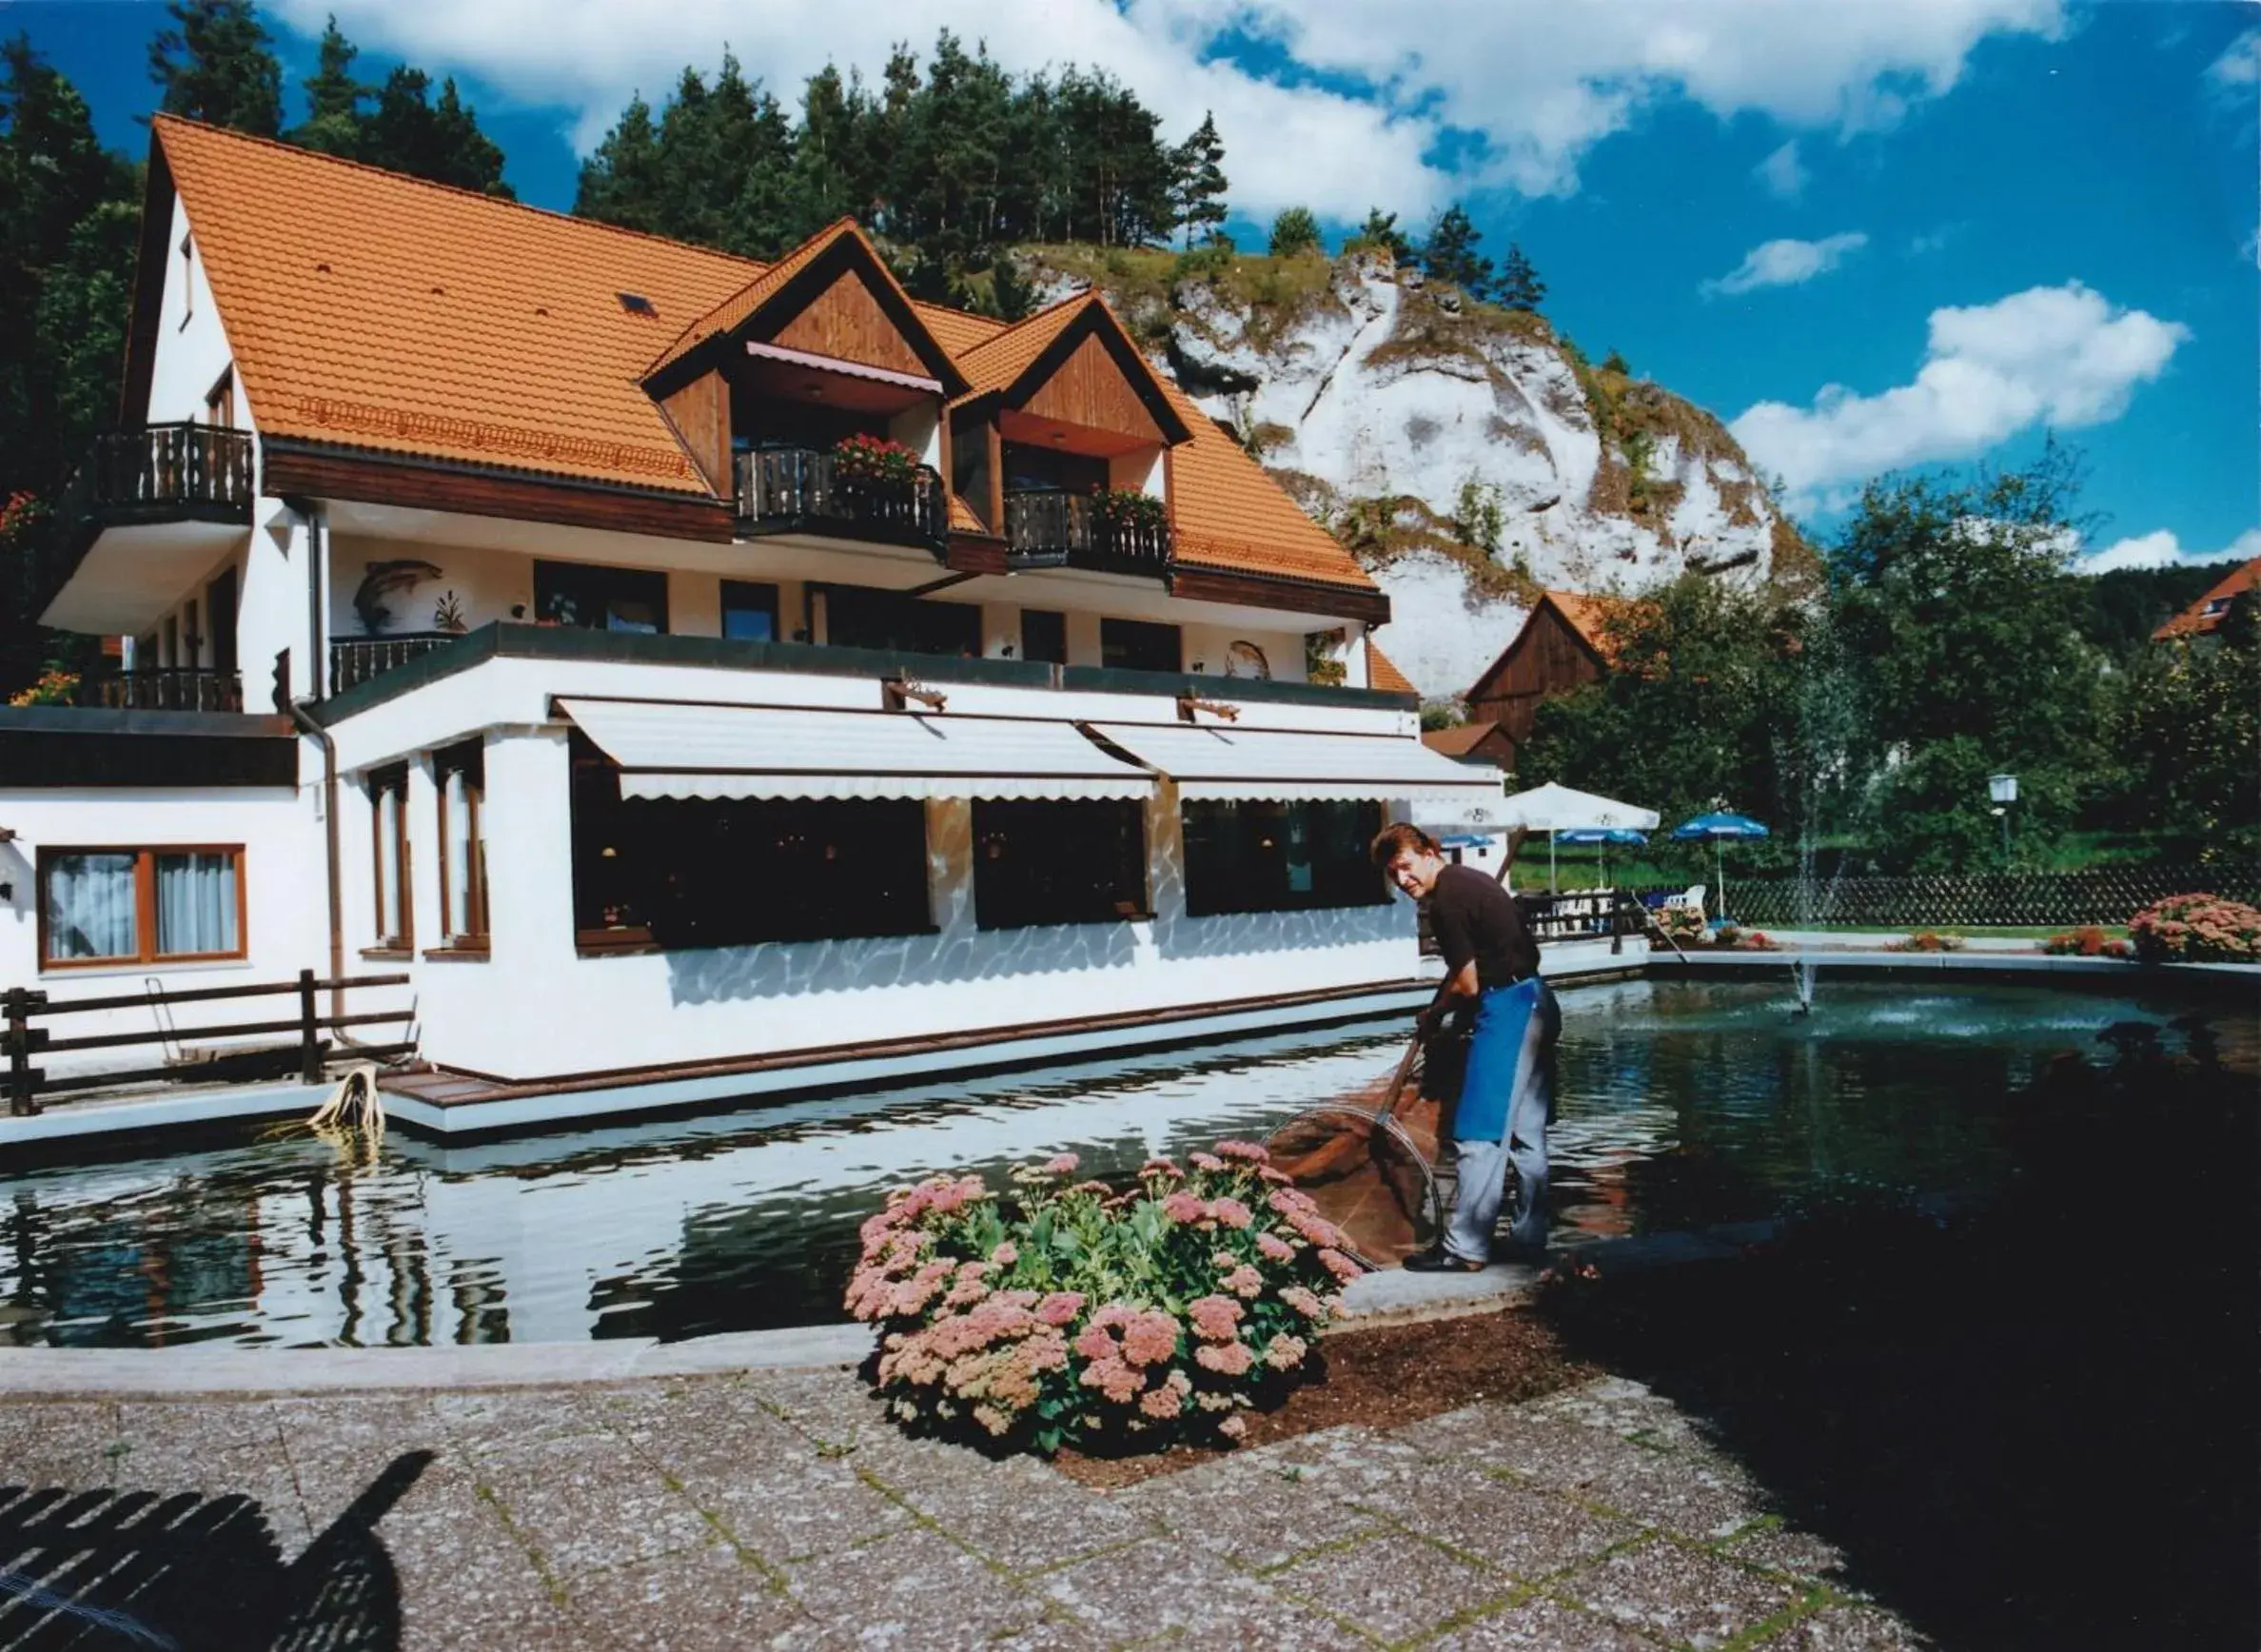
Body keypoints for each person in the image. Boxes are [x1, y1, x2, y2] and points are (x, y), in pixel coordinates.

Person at [1371, 822, 1561, 1271]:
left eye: (1406, 866)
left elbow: (1470, 984)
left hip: (1509, 1010)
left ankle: (1465, 1248)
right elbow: (1472, 966)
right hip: (1537, 998)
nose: (1402, 880)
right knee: (1526, 1136)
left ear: (1429, 852)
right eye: (1393, 874)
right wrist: (1439, 1009)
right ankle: (1529, 1239)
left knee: (1479, 1132)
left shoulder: (1446, 901)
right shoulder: (1468, 881)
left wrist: (1438, 1012)